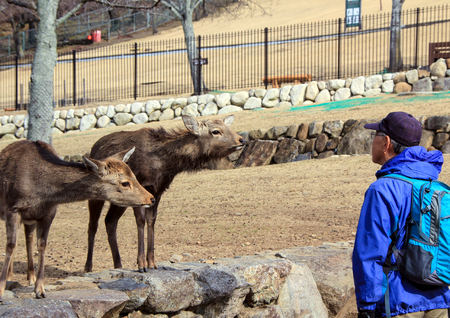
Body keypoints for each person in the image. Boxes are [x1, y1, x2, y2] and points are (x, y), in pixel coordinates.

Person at [352, 111, 450, 318]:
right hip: (439, 300)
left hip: (397, 303)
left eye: (375, 136)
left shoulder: (382, 189)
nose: (373, 142)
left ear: (386, 142)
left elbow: (370, 251)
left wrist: (367, 307)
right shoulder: (436, 187)